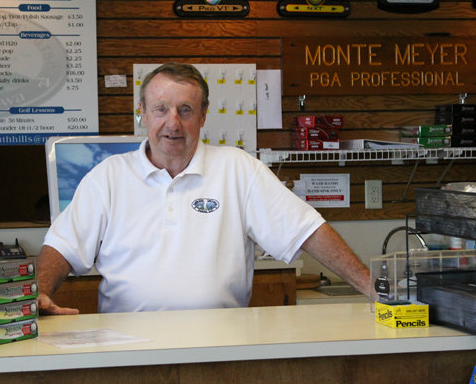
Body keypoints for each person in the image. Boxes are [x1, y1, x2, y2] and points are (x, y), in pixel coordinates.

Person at [36, 62, 371, 315]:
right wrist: (39, 293)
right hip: (128, 347)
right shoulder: (107, 176)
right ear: (142, 113)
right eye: (161, 109)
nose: (173, 123)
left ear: (203, 115)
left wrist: (373, 288)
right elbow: (63, 245)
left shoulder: (237, 168)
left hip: (220, 346)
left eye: (186, 110)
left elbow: (306, 230)